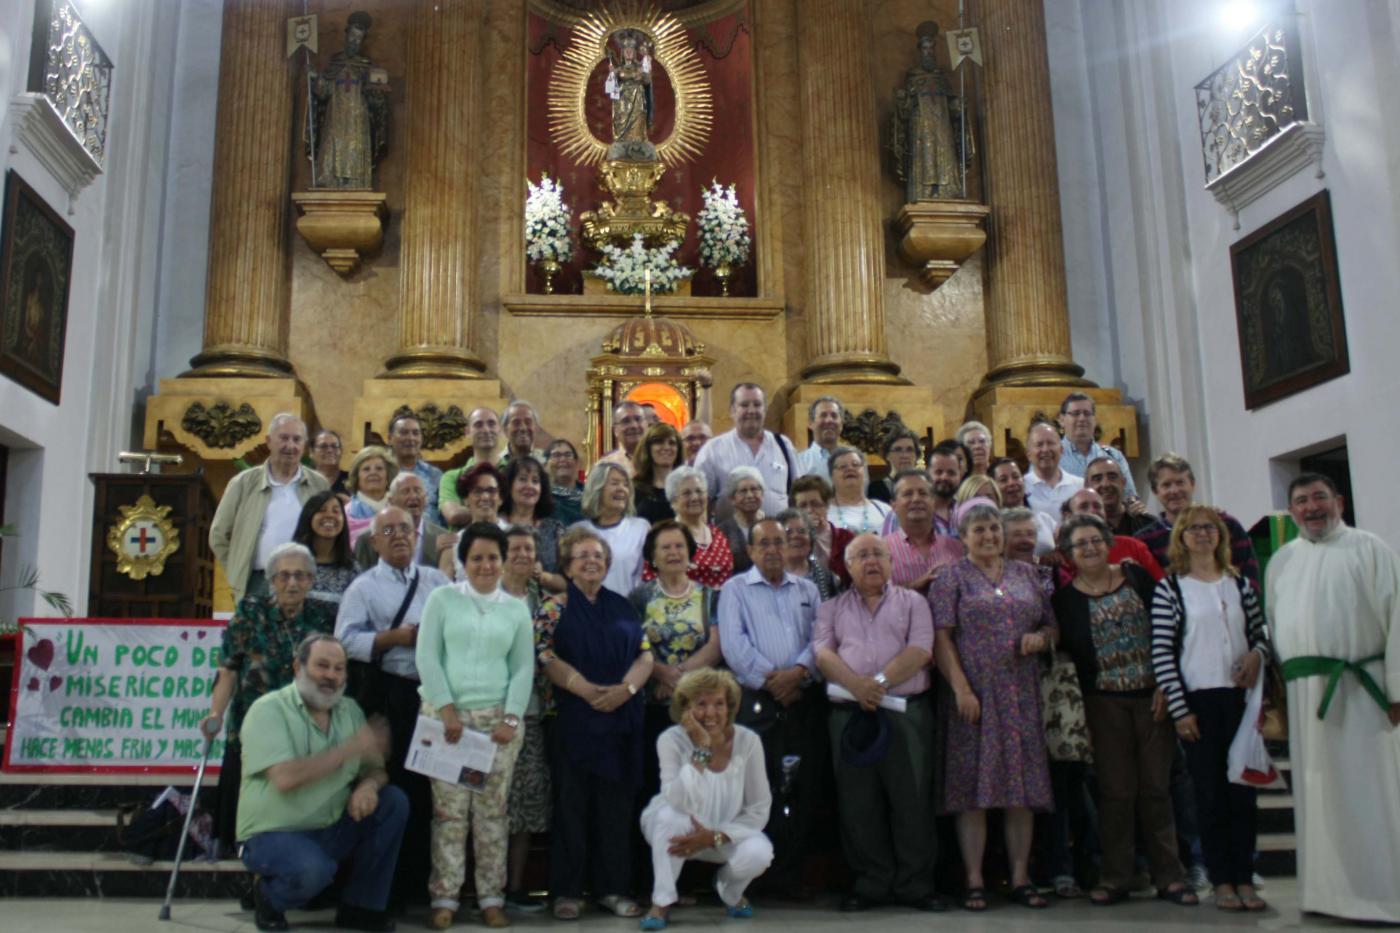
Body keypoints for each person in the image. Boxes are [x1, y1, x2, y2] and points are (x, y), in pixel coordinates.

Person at [1266, 473, 1400, 923]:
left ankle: (1384, 896)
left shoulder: (1370, 549)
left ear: (1339, 501)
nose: (1311, 507)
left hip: (1365, 692)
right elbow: (1274, 625)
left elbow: (1396, 620)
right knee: (1317, 796)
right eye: (1301, 501)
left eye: (1319, 497)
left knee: (1372, 793)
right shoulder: (1282, 561)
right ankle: (1326, 894)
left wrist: (1396, 689)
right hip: (1308, 698)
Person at [1051, 514, 1196, 907]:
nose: (1091, 548)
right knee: (1115, 794)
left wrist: (1169, 686)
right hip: (1103, 704)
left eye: (1096, 540)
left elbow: (1170, 631)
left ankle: (1170, 876)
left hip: (1152, 699)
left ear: (1107, 542)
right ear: (1069, 555)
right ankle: (1116, 876)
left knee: (1156, 790)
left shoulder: (1136, 578)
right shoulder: (1065, 600)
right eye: (1081, 544)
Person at [928, 501, 1056, 911]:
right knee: (972, 790)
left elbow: (1051, 623)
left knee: (1021, 789)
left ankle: (1020, 877)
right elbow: (941, 637)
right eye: (979, 531)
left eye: (994, 530)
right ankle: (974, 879)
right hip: (974, 696)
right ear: (963, 538)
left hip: (1021, 694)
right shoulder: (952, 578)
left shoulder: (1027, 574)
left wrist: (1043, 638)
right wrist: (962, 688)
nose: (988, 537)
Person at [235, 633, 406, 933]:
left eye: (339, 669)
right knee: (313, 869)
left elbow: (376, 770)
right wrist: (348, 750)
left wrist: (368, 787)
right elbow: (286, 778)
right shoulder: (268, 710)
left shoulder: (349, 710)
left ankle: (360, 907)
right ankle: (267, 897)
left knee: (392, 802)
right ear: (298, 668)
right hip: (274, 833)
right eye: (322, 666)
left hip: (330, 828)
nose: (331, 676)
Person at [1150, 505, 1270, 913]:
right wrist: (1181, 710)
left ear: (1220, 536)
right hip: (1197, 702)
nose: (1202, 534)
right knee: (1209, 794)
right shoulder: (1172, 589)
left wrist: (1257, 654)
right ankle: (1221, 878)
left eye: (1209, 528)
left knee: (1242, 792)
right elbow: (1163, 653)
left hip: (1238, 701)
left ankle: (1244, 875)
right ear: (1181, 538)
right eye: (1193, 529)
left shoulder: (1239, 586)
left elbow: (1261, 635)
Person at [814, 533, 942, 912]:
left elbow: (921, 649)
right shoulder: (831, 608)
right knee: (858, 803)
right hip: (849, 715)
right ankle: (870, 883)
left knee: (912, 800)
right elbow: (822, 653)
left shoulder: (914, 602)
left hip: (905, 711)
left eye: (878, 554)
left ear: (890, 562)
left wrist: (879, 684)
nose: (871, 562)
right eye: (861, 556)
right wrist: (857, 686)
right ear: (848, 567)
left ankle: (915, 885)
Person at [416, 523, 535, 930]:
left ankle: (490, 897)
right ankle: (445, 896)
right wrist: (447, 710)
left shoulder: (516, 608)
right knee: (449, 815)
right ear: (463, 562)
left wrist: (511, 717)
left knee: (492, 814)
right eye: (477, 558)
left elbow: (522, 667)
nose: (485, 565)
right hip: (447, 722)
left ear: (503, 562)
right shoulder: (442, 599)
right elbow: (427, 657)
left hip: (497, 725)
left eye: (492, 557)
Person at [535, 527, 655, 920]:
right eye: (582, 556)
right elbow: (545, 656)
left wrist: (627, 689)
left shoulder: (623, 606)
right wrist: (585, 690)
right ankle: (567, 890)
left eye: (598, 556)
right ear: (567, 566)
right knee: (571, 805)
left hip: (620, 720)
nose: (592, 562)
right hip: (573, 719)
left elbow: (646, 655)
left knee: (615, 808)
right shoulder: (554, 606)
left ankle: (614, 889)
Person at [335, 505, 450, 905]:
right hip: (389, 693)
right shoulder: (363, 588)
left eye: (406, 528)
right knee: (390, 786)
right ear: (374, 540)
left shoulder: (437, 581)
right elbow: (345, 641)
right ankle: (384, 891)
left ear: (417, 535)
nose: (399, 535)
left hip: (432, 696)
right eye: (389, 530)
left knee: (427, 792)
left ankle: (419, 888)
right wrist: (393, 638)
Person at [202, 543, 336, 861]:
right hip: (251, 722)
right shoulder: (251, 612)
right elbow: (228, 669)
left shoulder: (321, 618)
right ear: (272, 580)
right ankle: (233, 844)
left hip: (301, 726)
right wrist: (215, 713)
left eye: (301, 576)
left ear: (311, 581)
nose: (292, 583)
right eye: (284, 576)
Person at [717, 518, 823, 894]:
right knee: (760, 789)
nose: (774, 549)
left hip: (803, 698)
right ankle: (759, 876)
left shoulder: (807, 589)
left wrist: (798, 673)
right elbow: (733, 645)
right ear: (751, 551)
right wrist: (775, 681)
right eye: (765, 543)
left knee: (802, 786)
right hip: (758, 702)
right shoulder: (735, 589)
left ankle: (794, 873)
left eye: (781, 541)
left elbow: (820, 638)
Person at [639, 669, 774, 930]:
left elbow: (759, 809)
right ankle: (662, 902)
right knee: (670, 817)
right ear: (685, 708)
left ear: (730, 706)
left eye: (719, 704)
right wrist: (701, 750)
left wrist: (715, 836)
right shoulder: (670, 740)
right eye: (701, 704)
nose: (710, 713)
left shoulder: (749, 741)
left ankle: (729, 891)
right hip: (678, 828)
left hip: (725, 830)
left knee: (760, 851)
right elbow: (676, 799)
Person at [629, 521, 724, 817]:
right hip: (653, 707)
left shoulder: (710, 595)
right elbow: (633, 646)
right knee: (656, 788)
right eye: (665, 547)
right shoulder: (639, 597)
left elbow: (715, 646)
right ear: (653, 557)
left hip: (700, 710)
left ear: (690, 552)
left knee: (700, 788)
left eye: (679, 546)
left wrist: (676, 677)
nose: (673, 552)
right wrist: (659, 673)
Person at [211, 413, 329, 603]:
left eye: (297, 439)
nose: (290, 446)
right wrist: (237, 570)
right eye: (283, 438)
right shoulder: (243, 483)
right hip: (256, 582)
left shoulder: (319, 484)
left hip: (305, 583)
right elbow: (218, 535)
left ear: (304, 445)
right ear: (268, 441)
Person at [499, 527, 551, 912]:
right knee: (489, 803)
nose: (521, 554)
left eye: (528, 549)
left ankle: (515, 888)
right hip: (489, 713)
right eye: (514, 548)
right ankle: (486, 888)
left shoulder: (543, 599)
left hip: (533, 713)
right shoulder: (487, 598)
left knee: (526, 804)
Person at [1135, 453, 1259, 585]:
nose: (1174, 490)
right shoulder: (1145, 541)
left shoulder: (1227, 525)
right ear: (1155, 491)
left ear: (1192, 484)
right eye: (1166, 485)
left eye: (1180, 482)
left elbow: (1249, 577)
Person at [693, 383, 797, 519]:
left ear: (765, 410)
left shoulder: (783, 445)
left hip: (777, 536)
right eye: (744, 405)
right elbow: (701, 501)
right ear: (732, 411)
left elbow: (798, 493)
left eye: (757, 404)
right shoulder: (712, 450)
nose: (752, 410)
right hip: (730, 537)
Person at [309, 11, 387, 189]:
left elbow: (376, 102)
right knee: (331, 147)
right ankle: (329, 180)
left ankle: (356, 183)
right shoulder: (335, 64)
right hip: (335, 116)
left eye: (358, 39)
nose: (354, 41)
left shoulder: (367, 67)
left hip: (357, 120)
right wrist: (316, 78)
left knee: (355, 149)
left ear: (362, 41)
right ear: (346, 34)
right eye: (352, 36)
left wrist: (377, 91)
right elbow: (324, 92)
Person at [892, 22, 962, 200]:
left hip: (942, 127)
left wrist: (959, 106)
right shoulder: (914, 77)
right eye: (925, 48)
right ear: (920, 51)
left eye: (932, 48)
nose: (929, 52)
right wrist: (903, 100)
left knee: (945, 155)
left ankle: (948, 191)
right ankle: (923, 193)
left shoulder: (942, 78)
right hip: (921, 129)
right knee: (924, 156)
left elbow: (953, 109)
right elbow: (906, 111)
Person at [1057, 489, 1163, 582]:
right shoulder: (1061, 557)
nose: (1093, 511)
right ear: (1068, 516)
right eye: (1084, 507)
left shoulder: (1133, 546)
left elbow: (1163, 587)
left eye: (1097, 506)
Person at [578, 461, 650, 596]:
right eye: (615, 483)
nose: (621, 489)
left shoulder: (641, 528)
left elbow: (647, 576)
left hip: (628, 611)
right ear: (597, 487)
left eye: (625, 484)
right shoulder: (578, 531)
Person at [883, 470, 962, 592]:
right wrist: (913, 587)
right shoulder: (881, 550)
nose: (916, 499)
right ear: (894, 505)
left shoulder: (956, 548)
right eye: (908, 494)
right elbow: (873, 597)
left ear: (934, 502)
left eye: (923, 493)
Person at [353, 473, 450, 570]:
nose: (413, 496)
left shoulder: (442, 536)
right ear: (391, 501)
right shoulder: (368, 539)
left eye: (417, 491)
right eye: (405, 492)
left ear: (426, 499)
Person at [658, 465, 734, 589]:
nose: (694, 497)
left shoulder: (718, 534)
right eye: (686, 493)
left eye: (699, 491)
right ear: (673, 501)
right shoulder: (665, 537)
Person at [499, 456, 567, 592]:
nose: (529, 486)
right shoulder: (494, 525)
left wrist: (542, 576)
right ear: (509, 485)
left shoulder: (555, 530)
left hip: (545, 607)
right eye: (522, 479)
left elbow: (568, 583)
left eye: (535, 481)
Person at [1058, 393, 1137, 497]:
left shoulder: (1113, 456)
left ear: (1094, 420)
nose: (1082, 418)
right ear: (1062, 420)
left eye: (1087, 413)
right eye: (1076, 413)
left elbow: (1130, 496)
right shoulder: (1051, 457)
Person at [439, 407, 506, 527]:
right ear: (467, 432)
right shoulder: (451, 477)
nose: (486, 430)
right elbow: (454, 515)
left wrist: (476, 508)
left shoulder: (513, 471)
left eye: (491, 424)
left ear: (500, 430)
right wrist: (501, 510)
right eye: (478, 425)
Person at [292, 491, 359, 608]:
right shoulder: (289, 563)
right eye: (322, 510)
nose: (330, 515)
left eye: (336, 511)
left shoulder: (352, 570)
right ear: (308, 517)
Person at [791, 474, 853, 585]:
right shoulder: (790, 540)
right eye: (803, 506)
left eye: (815, 504)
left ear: (827, 505)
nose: (809, 510)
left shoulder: (846, 538)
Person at [386, 413, 444, 528]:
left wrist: (444, 537)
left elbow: (444, 518)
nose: (411, 438)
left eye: (415, 433)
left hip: (432, 540)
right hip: (392, 537)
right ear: (390, 439)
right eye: (404, 433)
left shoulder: (435, 475)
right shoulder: (381, 473)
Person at [991, 457, 1056, 555]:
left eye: (1016, 477)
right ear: (993, 488)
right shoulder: (992, 526)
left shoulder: (1043, 518)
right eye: (1003, 480)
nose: (1012, 483)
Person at [1024, 421, 1083, 529]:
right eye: (1039, 444)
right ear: (1028, 454)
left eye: (1051, 443)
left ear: (1061, 450)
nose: (1045, 449)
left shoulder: (1080, 485)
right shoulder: (1021, 487)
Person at [1083, 454, 1154, 537]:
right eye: (1097, 479)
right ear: (1087, 486)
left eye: (1112, 477)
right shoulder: (1081, 530)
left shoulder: (1148, 525)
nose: (1105, 484)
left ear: (1123, 482)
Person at [827, 447, 892, 535]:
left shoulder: (884, 510)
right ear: (832, 476)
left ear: (864, 472)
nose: (850, 469)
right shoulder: (823, 512)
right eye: (842, 466)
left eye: (855, 465)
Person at [777, 508, 838, 600]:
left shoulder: (827, 578)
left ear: (811, 538)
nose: (795, 536)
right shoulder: (768, 575)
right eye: (788, 532)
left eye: (802, 531)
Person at [717, 466, 767, 576]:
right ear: (732, 499)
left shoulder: (773, 526)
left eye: (754, 489)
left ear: (762, 494)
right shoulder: (721, 532)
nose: (749, 495)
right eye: (743, 491)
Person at [344, 445, 397, 545]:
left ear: (388, 475)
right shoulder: (346, 513)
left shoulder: (399, 510)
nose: (373, 473)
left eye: (379, 468)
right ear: (357, 477)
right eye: (366, 469)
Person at [633, 422, 684, 523]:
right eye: (659, 442)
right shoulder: (634, 488)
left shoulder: (685, 486)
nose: (666, 447)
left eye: (672, 443)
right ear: (648, 448)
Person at [796, 395, 844, 482]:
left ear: (841, 424)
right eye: (823, 415)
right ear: (810, 423)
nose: (829, 420)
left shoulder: (855, 462)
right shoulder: (798, 463)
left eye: (834, 416)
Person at [867, 428, 921, 503]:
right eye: (898, 450)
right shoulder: (874, 490)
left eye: (909, 449)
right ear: (887, 455)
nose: (904, 455)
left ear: (917, 455)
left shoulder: (927, 487)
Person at [600, 400, 647, 475]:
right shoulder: (605, 465)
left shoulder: (661, 458)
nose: (634, 425)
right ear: (615, 430)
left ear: (646, 424)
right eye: (626, 421)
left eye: (638, 419)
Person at [545, 438, 585, 526]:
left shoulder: (589, 494)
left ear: (576, 462)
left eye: (568, 455)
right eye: (556, 455)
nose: (563, 459)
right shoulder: (542, 497)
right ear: (545, 465)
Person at [502, 400, 547, 466]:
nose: (523, 428)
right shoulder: (496, 463)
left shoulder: (546, 462)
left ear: (536, 428)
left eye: (528, 422)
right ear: (505, 430)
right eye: (516, 423)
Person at [311, 429, 350, 498]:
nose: (330, 450)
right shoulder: (304, 481)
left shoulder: (352, 480)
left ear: (340, 451)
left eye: (334, 446)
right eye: (323, 446)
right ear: (311, 452)